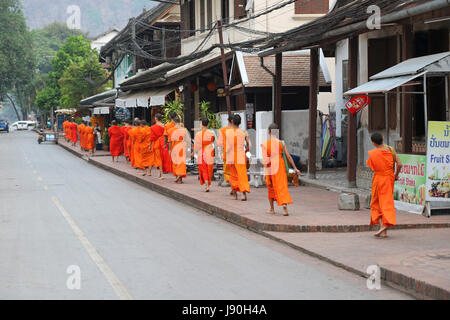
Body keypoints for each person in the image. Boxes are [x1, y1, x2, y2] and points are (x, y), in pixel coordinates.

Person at [366, 132, 402, 238]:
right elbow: (399, 164)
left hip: (378, 179)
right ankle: (383, 230)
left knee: (378, 202)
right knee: (385, 201)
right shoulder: (390, 150)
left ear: (373, 143)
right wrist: (395, 175)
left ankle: (385, 224)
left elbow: (372, 166)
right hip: (389, 178)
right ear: (383, 138)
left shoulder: (373, 153)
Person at [261, 123, 301, 216]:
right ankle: (284, 207)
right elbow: (288, 156)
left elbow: (265, 161)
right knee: (282, 186)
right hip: (280, 164)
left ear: (269, 132)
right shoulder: (281, 143)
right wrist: (295, 168)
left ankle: (271, 209)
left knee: (270, 187)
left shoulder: (265, 144)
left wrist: (264, 173)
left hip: (270, 166)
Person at [226, 114, 250, 201]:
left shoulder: (228, 132)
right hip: (240, 154)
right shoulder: (243, 132)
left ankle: (235, 195)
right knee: (242, 174)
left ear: (232, 122)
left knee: (233, 174)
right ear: (240, 123)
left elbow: (228, 147)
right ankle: (243, 194)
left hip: (231, 154)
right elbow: (249, 145)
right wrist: (245, 151)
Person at [194, 118, 215, 192]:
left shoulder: (198, 134)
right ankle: (208, 184)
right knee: (209, 168)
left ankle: (206, 185)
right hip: (209, 151)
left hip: (202, 152)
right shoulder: (211, 134)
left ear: (201, 124)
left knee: (204, 169)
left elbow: (196, 146)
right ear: (208, 124)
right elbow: (213, 142)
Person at [167, 116, 188, 184]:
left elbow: (169, 141)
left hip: (174, 147)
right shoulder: (184, 130)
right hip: (182, 147)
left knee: (175, 162)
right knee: (181, 163)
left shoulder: (170, 130)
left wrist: (170, 150)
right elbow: (187, 140)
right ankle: (179, 178)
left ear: (173, 122)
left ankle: (178, 177)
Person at [147, 113, 165, 179]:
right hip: (163, 143)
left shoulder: (153, 127)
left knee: (158, 159)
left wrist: (150, 145)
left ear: (156, 118)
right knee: (162, 158)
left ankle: (162, 174)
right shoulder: (164, 126)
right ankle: (160, 174)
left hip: (157, 143)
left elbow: (152, 137)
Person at [218, 116, 233, 188]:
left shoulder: (223, 130)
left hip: (226, 153)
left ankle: (233, 185)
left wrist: (220, 153)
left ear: (228, 120)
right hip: (236, 154)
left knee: (227, 172)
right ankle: (234, 186)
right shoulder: (237, 131)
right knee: (234, 172)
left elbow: (220, 144)